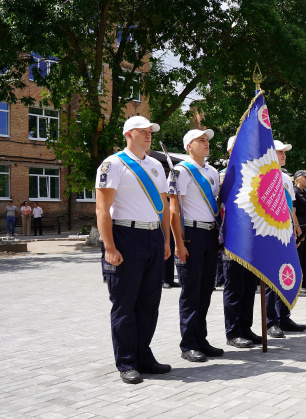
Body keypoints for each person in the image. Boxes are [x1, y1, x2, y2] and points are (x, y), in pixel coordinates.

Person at [95, 115, 172, 384]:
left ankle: (144, 355)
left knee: (149, 302)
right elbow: (102, 209)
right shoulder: (113, 164)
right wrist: (109, 246)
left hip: (152, 236)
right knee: (125, 303)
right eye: (143, 131)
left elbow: (163, 206)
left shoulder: (155, 165)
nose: (148, 134)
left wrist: (165, 239)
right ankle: (127, 362)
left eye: (150, 131)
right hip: (125, 235)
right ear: (128, 134)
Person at [169, 129, 223, 363]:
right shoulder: (181, 171)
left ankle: (201, 338)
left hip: (210, 234)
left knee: (206, 289)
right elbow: (174, 209)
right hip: (191, 232)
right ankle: (188, 343)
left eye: (207, 140)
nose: (206, 143)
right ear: (188, 146)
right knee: (191, 291)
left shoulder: (212, 172)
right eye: (200, 140)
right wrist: (178, 242)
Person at [221, 135, 261, 350]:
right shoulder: (225, 176)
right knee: (234, 289)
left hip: (250, 241)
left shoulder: (253, 176)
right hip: (232, 241)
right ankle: (233, 331)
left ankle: (246, 327)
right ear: (230, 151)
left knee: (248, 288)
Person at [265, 139, 306, 338]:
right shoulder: (263, 175)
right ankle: (270, 321)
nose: (284, 155)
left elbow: (291, 208)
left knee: (286, 275)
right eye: (280, 152)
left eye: (284, 152)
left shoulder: (286, 178)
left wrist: (295, 230)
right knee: (272, 279)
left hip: (286, 232)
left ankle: (284, 316)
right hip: (271, 233)